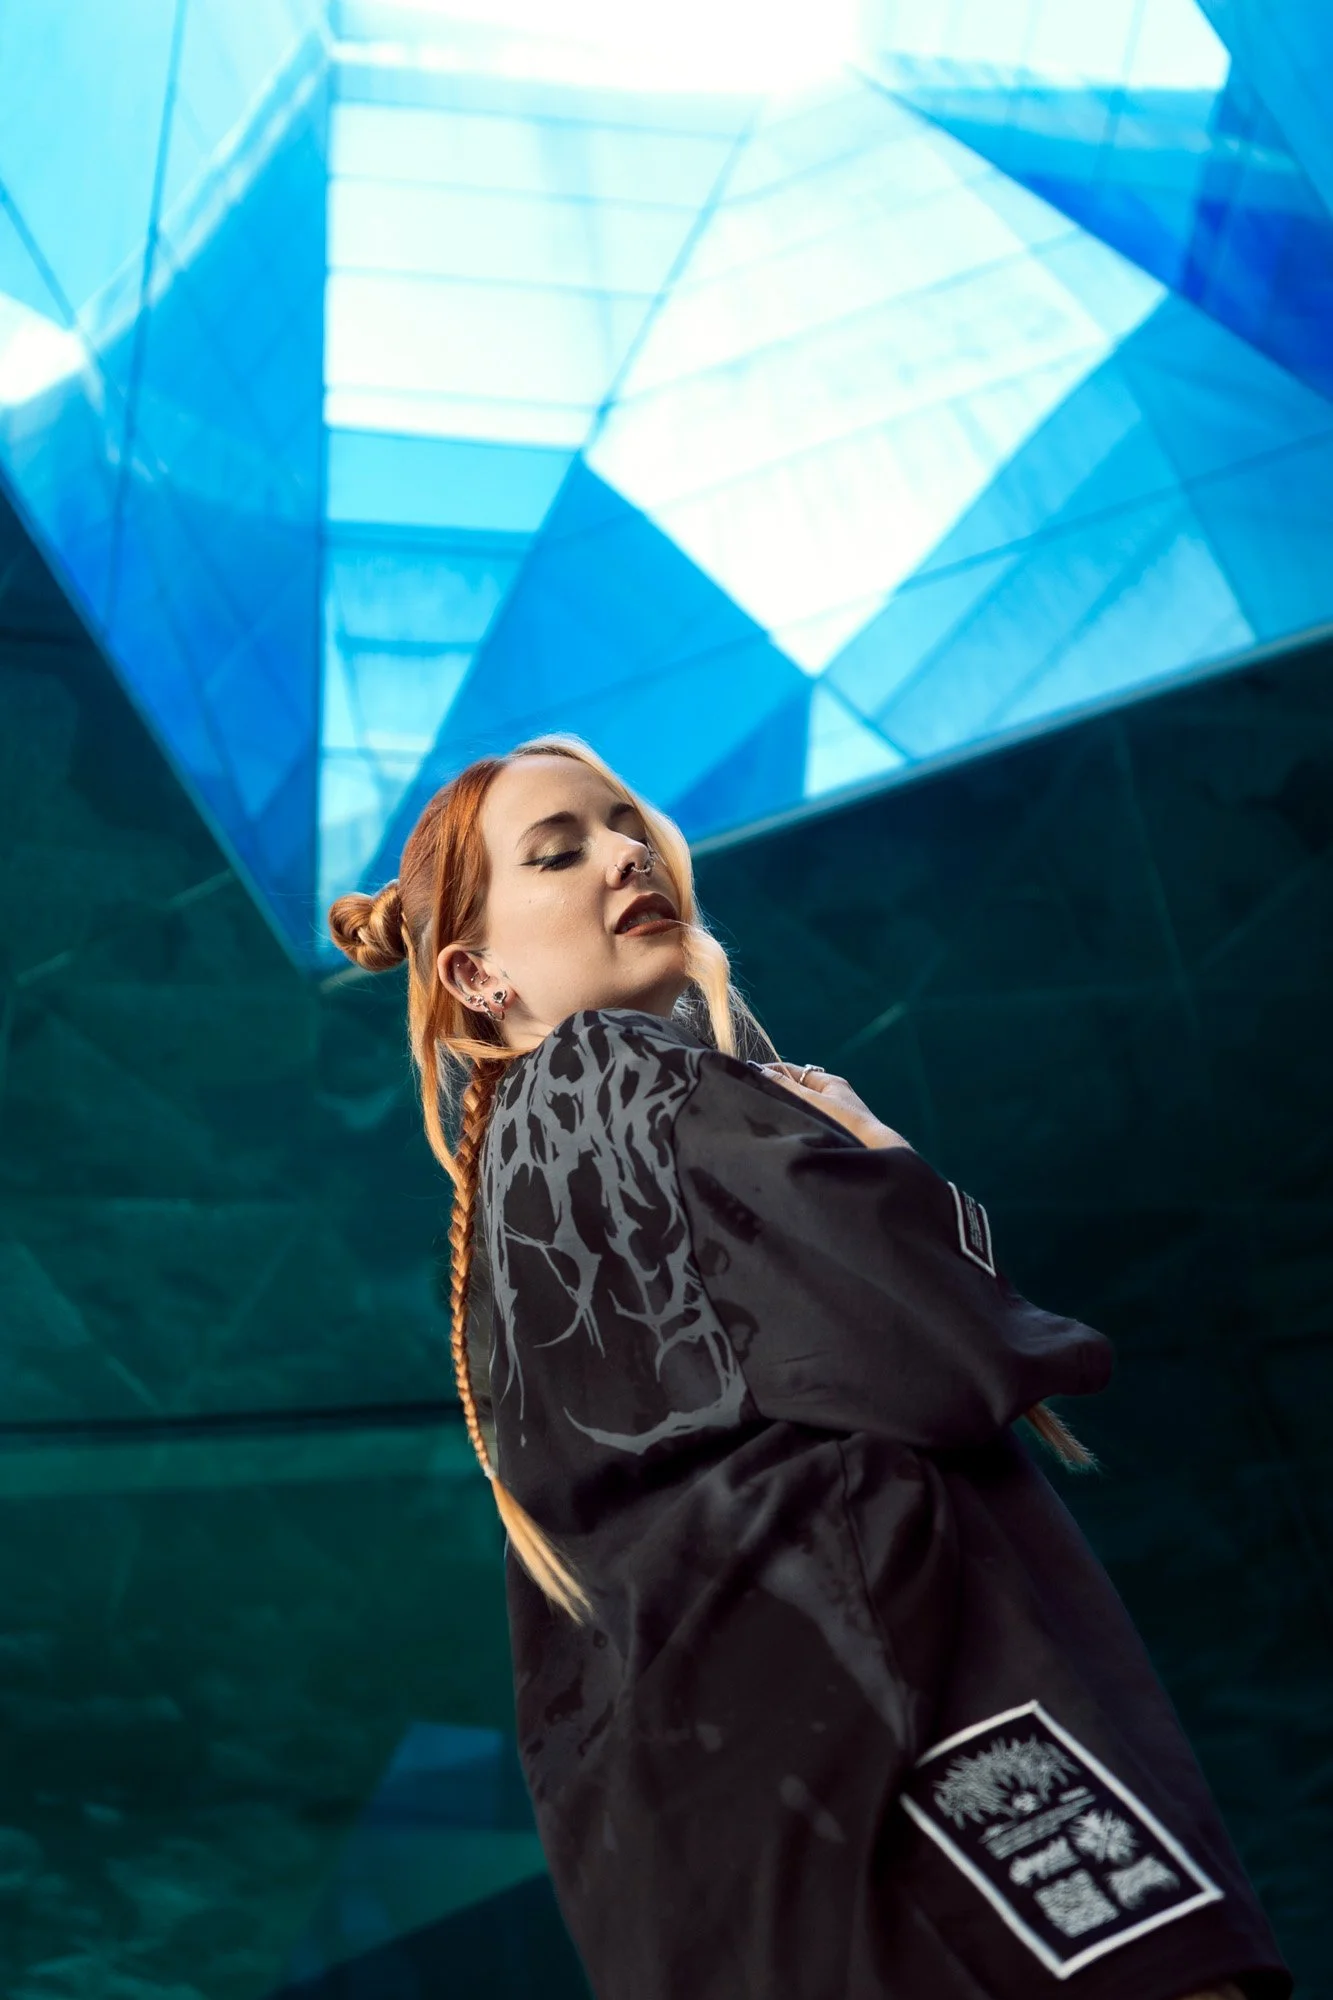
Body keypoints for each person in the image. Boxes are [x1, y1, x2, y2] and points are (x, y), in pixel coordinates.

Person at [328, 734, 1290, 2000]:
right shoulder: (621, 1071)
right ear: (477, 974)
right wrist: (878, 1158)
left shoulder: (513, 1200)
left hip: (723, 1841)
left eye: (626, 825)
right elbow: (926, 1351)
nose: (623, 854)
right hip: (911, 1724)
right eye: (559, 853)